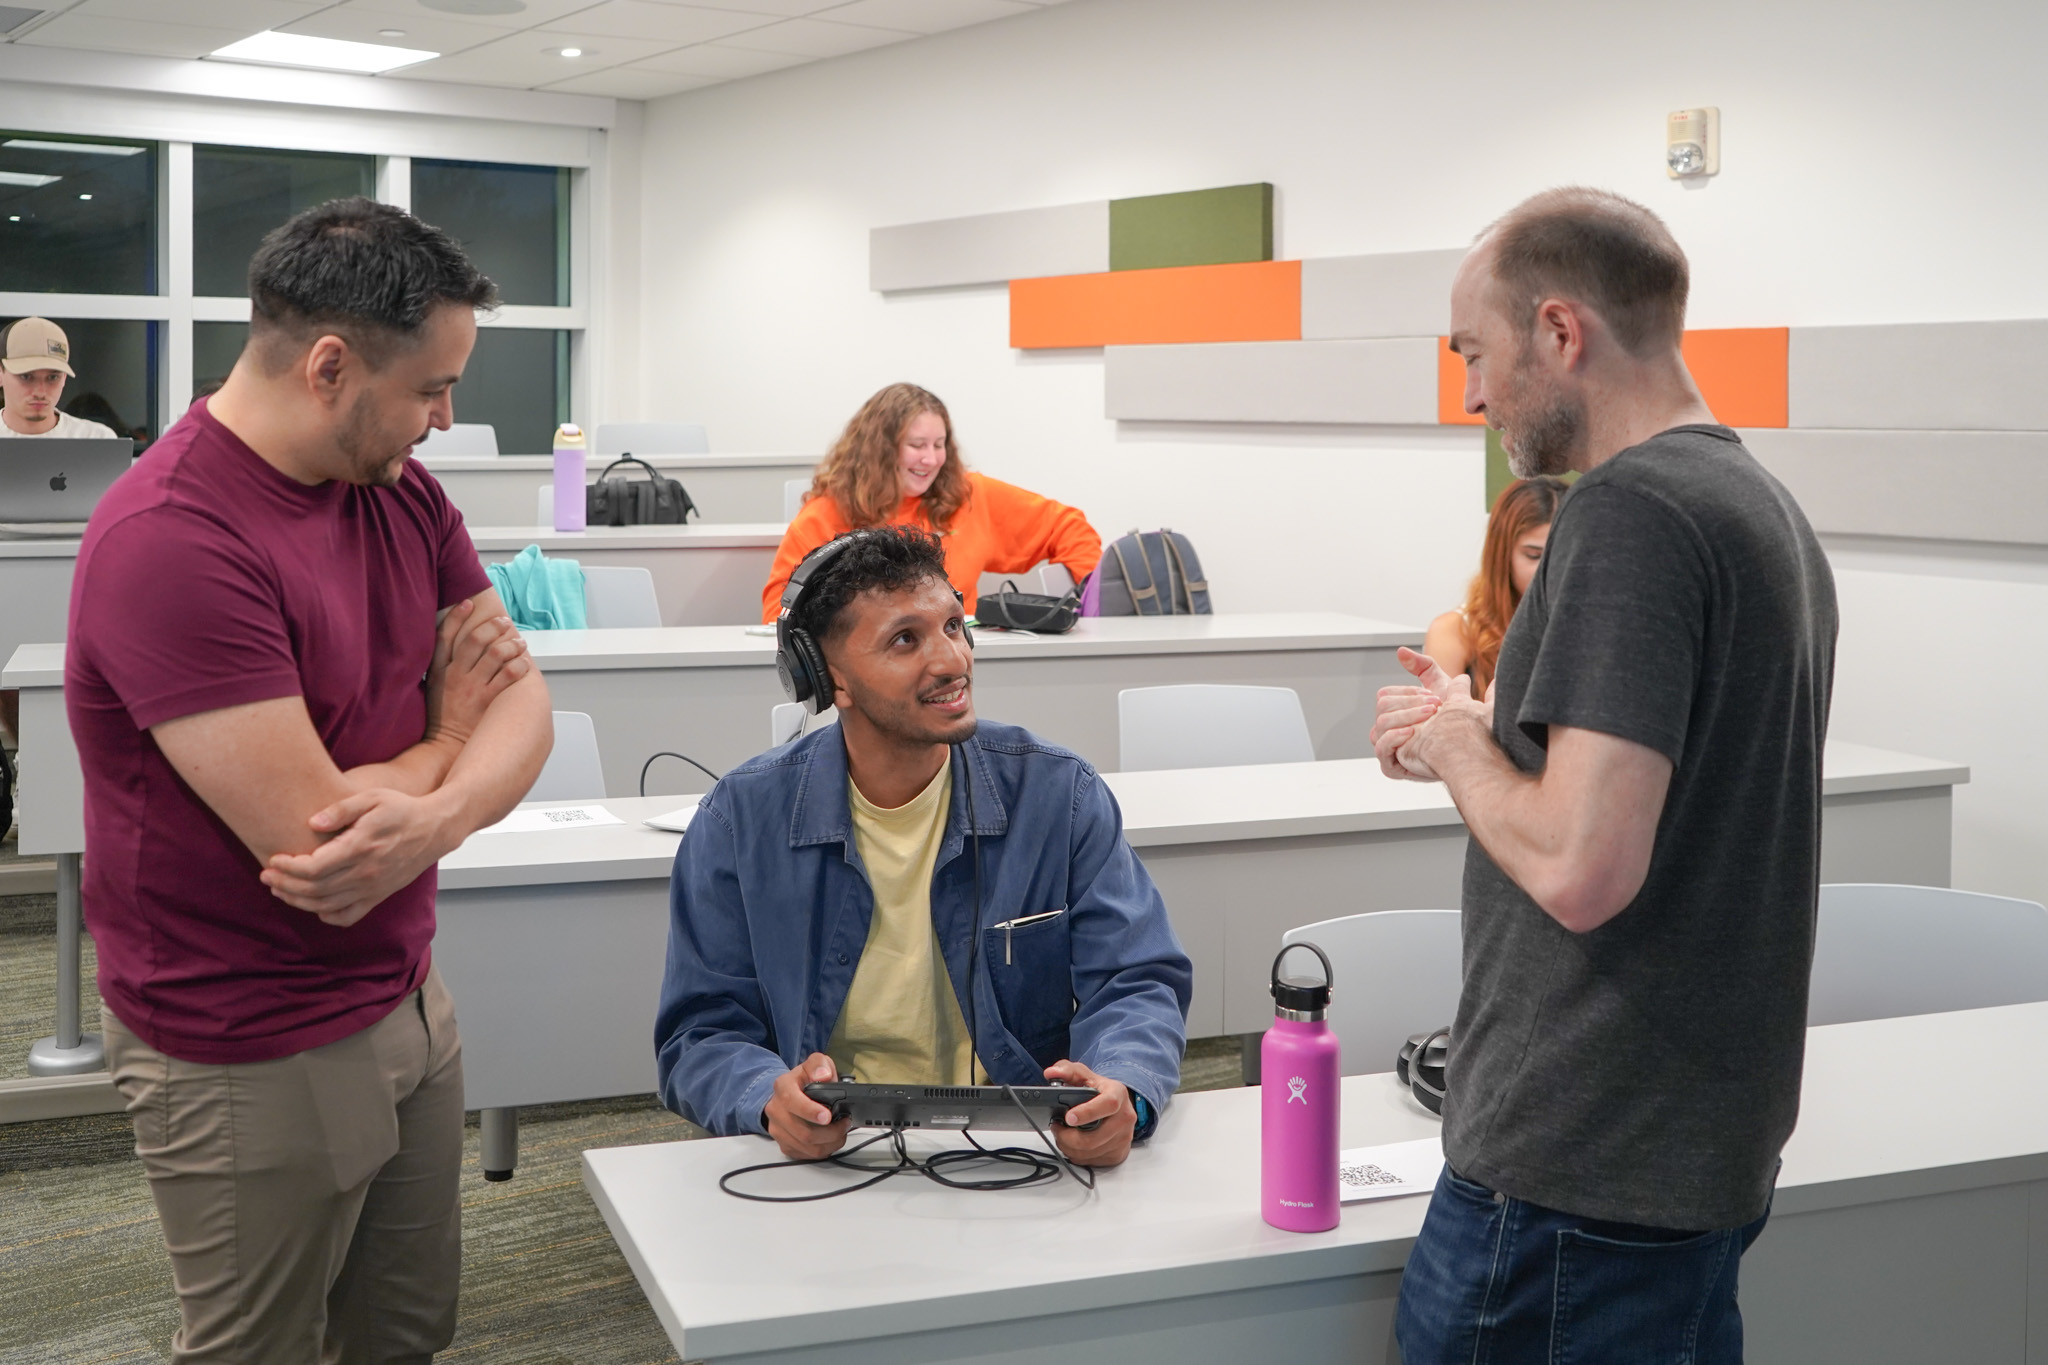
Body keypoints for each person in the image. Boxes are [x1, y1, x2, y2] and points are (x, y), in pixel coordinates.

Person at [67, 197, 555, 1361]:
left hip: (407, 995)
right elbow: (321, 844)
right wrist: (448, 739)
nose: (446, 420)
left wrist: (433, 807)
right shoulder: (173, 537)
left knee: (400, 1333)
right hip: (246, 1038)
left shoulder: (396, 487)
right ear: (330, 366)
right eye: (432, 388)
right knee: (260, 1348)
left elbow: (523, 702)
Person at [1372, 187, 1837, 1362]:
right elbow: (1659, 784)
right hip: (1683, 1148)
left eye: (1473, 353)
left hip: (1572, 1168)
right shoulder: (1755, 507)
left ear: (1558, 332)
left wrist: (1456, 745)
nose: (1470, 394)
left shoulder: (1628, 514)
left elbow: (1582, 868)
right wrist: (1489, 729)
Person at [665, 526, 1191, 1166]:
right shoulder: (739, 820)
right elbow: (702, 1031)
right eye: (905, 640)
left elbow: (1136, 981)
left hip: (1022, 1149)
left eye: (952, 626)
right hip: (831, 1157)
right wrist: (765, 1100)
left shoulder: (1058, 794)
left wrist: (1124, 1089)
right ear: (830, 680)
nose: (951, 661)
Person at [761, 382, 1101, 620]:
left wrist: (1093, 606)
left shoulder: (968, 495)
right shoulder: (824, 516)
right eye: (917, 445)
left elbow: (1068, 527)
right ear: (879, 450)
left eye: (939, 445)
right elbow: (780, 614)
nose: (931, 459)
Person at [1422, 475, 1568, 696]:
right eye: (1533, 555)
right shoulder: (1454, 632)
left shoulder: (1594, 624)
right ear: (1502, 554)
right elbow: (1444, 717)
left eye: (1562, 555)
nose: (1548, 570)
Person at [0, 317, 119, 438]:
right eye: (26, 377)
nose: (40, 393)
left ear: (64, 378)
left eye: (53, 377)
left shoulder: (95, 437)